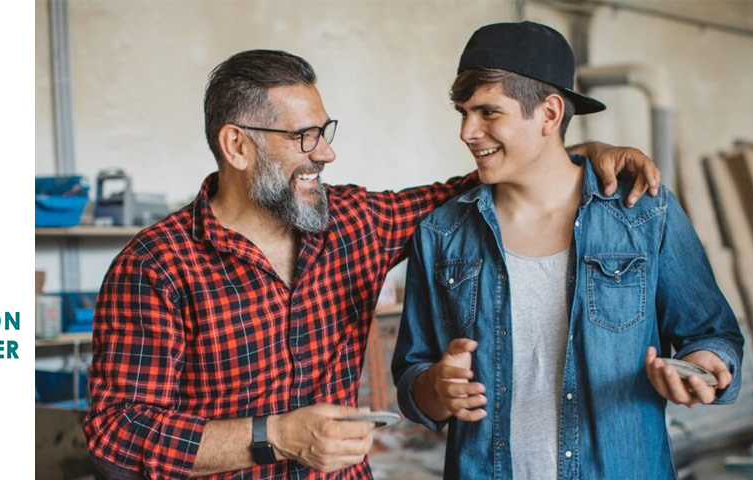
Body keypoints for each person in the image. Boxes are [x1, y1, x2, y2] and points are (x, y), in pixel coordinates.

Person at [84, 48, 663, 480]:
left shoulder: (354, 222)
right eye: (305, 137)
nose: (327, 152)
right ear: (237, 146)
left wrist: (562, 150)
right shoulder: (157, 267)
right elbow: (117, 430)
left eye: (325, 131)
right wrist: (277, 437)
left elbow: (463, 190)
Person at [391, 22, 744, 480]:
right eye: (462, 112)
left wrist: (699, 368)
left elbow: (713, 334)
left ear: (550, 113)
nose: (467, 132)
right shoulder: (442, 233)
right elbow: (412, 377)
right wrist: (434, 390)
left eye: (488, 113)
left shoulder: (642, 215)